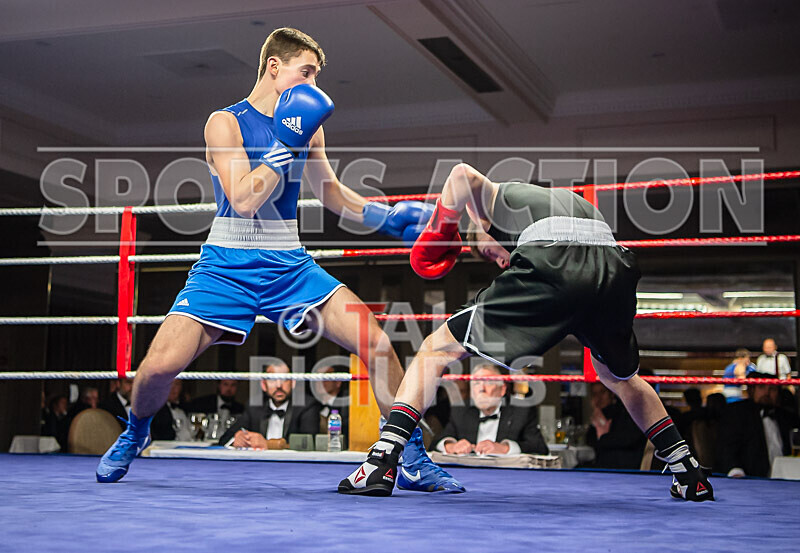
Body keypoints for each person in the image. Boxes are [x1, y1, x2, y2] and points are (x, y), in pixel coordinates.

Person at [96, 27, 461, 493]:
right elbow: (245, 199)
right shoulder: (224, 122)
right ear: (274, 67)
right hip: (227, 264)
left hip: (289, 262)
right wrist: (285, 143)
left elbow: (330, 194)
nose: (311, 85)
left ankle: (406, 453)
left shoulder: (311, 125)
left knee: (377, 343)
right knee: (156, 367)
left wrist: (386, 218)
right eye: (305, 72)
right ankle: (136, 431)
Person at [339, 163, 713, 501]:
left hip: (552, 257)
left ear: (482, 228)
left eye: (490, 256)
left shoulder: (492, 205)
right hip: (613, 265)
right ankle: (689, 472)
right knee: (621, 378)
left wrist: (444, 228)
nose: (501, 262)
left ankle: (381, 461)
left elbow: (461, 174)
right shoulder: (557, 199)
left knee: (436, 349)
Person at [434, 364, 547, 455]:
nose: (481, 389)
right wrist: (451, 446)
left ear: (502, 389)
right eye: (476, 383)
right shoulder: (461, 410)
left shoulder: (521, 411)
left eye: (488, 382)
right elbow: (435, 443)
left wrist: (505, 448)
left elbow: (539, 448)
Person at [719, 372, 800, 477]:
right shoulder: (738, 414)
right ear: (753, 390)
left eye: (772, 389)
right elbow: (727, 449)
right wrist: (736, 471)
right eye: (762, 387)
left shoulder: (787, 417)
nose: (767, 393)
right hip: (752, 480)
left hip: (788, 477)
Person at [219, 363, 320, 447]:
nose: (279, 385)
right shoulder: (254, 406)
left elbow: (309, 444)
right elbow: (224, 439)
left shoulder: (307, 405)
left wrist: (268, 444)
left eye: (284, 379)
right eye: (272, 379)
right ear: (264, 385)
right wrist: (236, 440)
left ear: (292, 383)